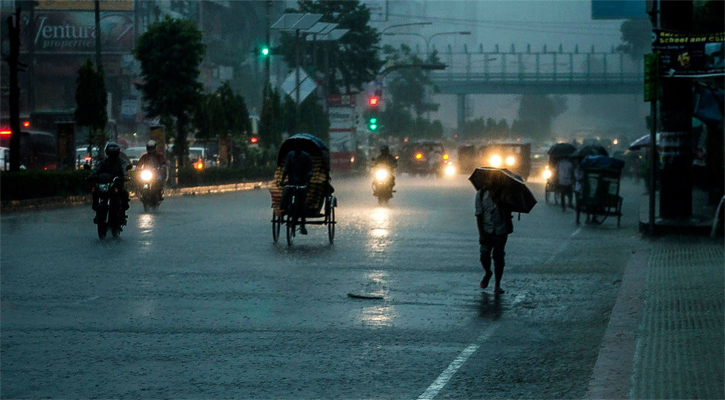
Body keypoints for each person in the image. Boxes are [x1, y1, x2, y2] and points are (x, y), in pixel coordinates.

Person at [475, 180, 513, 294]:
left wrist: (501, 201)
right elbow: (478, 215)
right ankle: (488, 272)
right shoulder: (480, 194)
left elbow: (511, 207)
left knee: (499, 257)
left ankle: (497, 285)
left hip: (501, 230)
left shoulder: (505, 194)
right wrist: (481, 234)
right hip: (486, 230)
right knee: (484, 255)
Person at [87, 142, 130, 223]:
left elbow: (124, 169)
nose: (112, 155)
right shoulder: (103, 161)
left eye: (114, 153)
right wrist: (91, 175)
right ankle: (97, 210)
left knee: (124, 194)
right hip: (105, 184)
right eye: (110, 153)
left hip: (116, 183)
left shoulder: (121, 161)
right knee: (95, 190)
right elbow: (96, 169)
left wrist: (125, 175)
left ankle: (122, 214)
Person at [281, 142, 313, 235]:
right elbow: (286, 169)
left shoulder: (306, 157)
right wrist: (282, 180)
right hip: (291, 182)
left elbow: (310, 171)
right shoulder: (290, 155)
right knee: (285, 196)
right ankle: (283, 211)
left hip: (302, 183)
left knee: (302, 204)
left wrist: (307, 181)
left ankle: (302, 225)